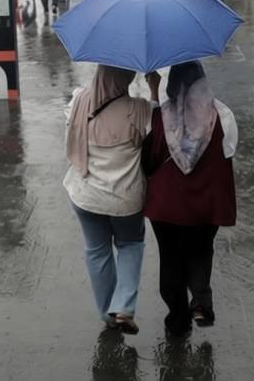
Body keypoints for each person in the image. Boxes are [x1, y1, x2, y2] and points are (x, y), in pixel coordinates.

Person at [141, 60, 237, 338]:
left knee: (170, 259)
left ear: (173, 85)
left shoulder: (162, 117)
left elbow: (148, 158)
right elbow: (230, 149)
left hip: (166, 205)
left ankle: (178, 322)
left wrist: (153, 91)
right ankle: (201, 302)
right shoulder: (222, 115)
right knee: (201, 249)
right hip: (207, 202)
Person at [64, 65, 162, 334]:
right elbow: (157, 132)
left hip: (86, 196)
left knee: (97, 251)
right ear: (128, 76)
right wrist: (154, 89)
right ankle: (123, 308)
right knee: (130, 244)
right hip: (126, 199)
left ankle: (107, 315)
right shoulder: (141, 109)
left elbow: (69, 127)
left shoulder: (78, 100)